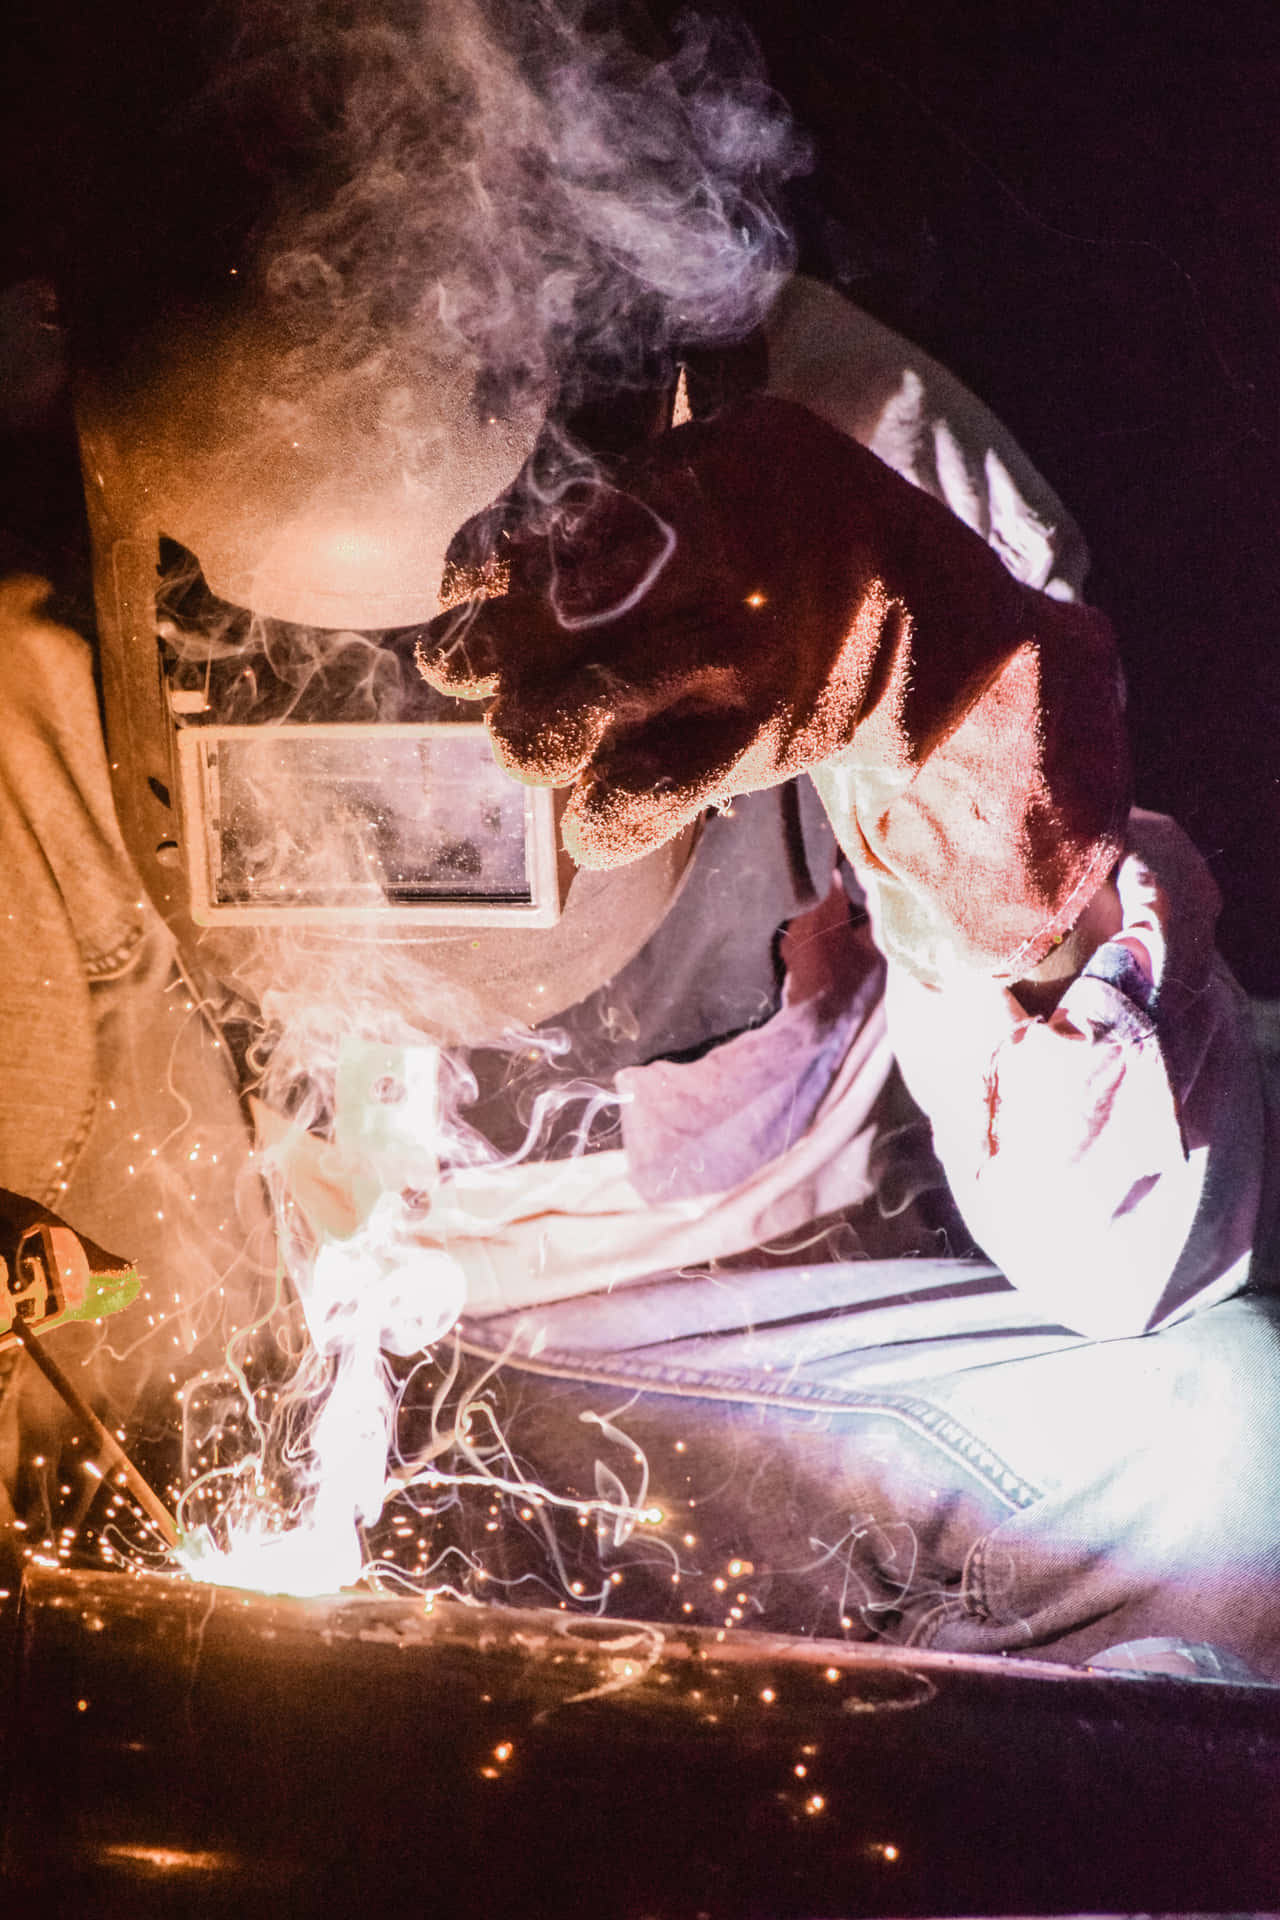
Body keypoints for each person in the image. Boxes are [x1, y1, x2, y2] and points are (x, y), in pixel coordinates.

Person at [2, 3, 1277, 1669]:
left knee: (1230, 1463)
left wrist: (991, 812)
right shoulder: (31, 609)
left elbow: (1138, 1271)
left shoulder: (861, 494)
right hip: (242, 1322)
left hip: (755, 1327)